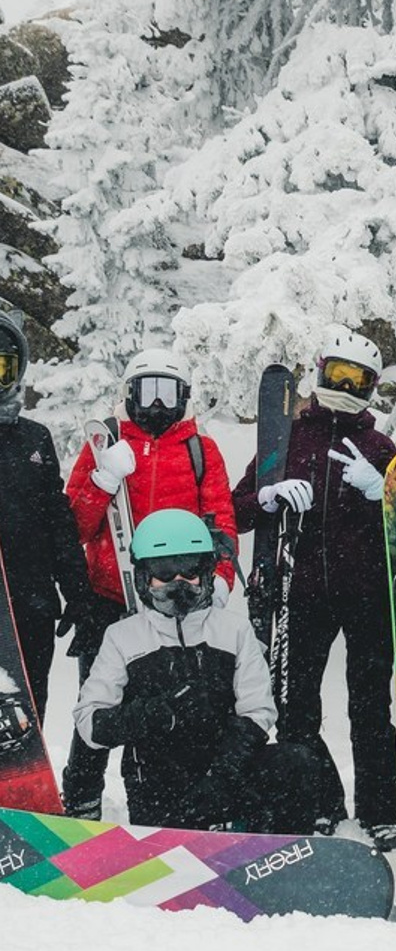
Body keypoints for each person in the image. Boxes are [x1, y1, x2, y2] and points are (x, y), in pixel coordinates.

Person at [231, 333, 396, 848]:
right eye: (338, 376)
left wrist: (380, 492)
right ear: (320, 373)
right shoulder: (288, 437)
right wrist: (267, 494)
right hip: (301, 593)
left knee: (369, 707)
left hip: (367, 594)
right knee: (296, 705)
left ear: (372, 389)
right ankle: (318, 802)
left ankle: (379, 812)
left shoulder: (378, 446)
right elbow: (235, 509)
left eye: (358, 381)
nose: (345, 389)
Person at [66, 509, 325, 830]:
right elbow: (89, 722)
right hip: (159, 787)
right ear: (145, 578)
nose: (179, 584)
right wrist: (153, 714)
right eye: (164, 572)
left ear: (207, 573)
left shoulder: (234, 631)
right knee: (173, 829)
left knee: (295, 762)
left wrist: (222, 776)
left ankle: (279, 854)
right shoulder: (123, 638)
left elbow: (258, 710)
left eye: (189, 571)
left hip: (224, 775)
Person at [63, 347, 239, 813]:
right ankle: (81, 797)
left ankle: (157, 795)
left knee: (169, 705)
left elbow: (221, 522)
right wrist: (102, 480)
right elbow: (74, 526)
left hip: (174, 598)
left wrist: (218, 583)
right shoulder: (108, 443)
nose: (157, 406)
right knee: (100, 701)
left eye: (168, 394)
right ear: (130, 394)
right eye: (147, 392)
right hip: (111, 595)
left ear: (184, 397)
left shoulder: (200, 450)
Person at [0, 308, 93, 721]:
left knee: (25, 710)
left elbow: (57, 520)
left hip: (30, 603)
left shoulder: (34, 438)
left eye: (2, 368)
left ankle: (23, 780)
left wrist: (77, 592)